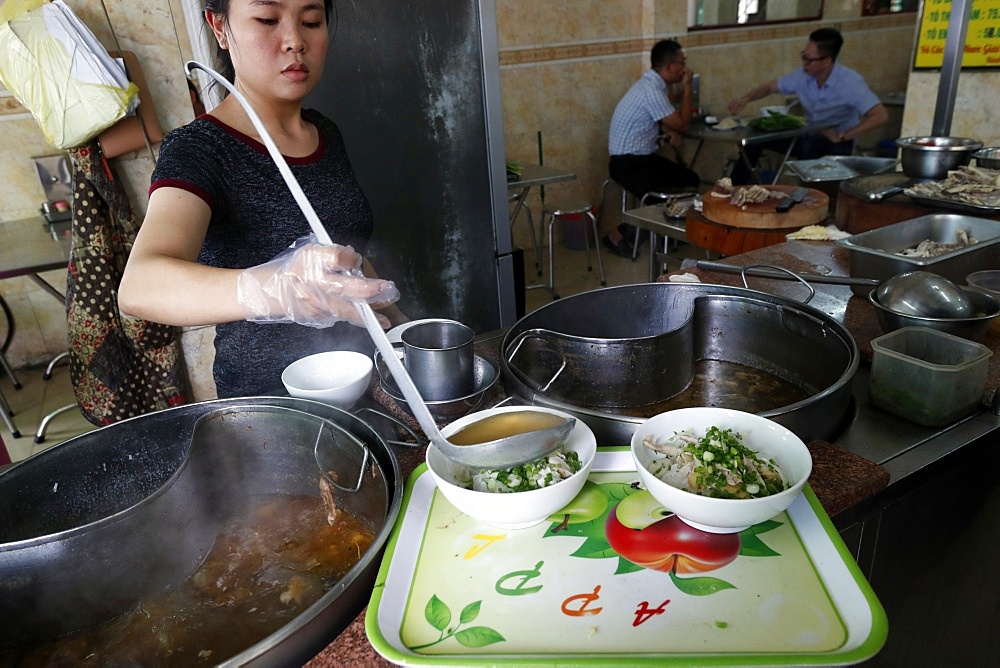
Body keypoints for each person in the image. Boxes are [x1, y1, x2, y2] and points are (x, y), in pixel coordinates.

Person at [118, 0, 404, 398]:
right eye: (267, 19)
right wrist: (276, 288)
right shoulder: (200, 149)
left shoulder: (325, 132)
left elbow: (344, 252)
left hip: (365, 384)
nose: (295, 41)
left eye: (311, 21)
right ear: (220, 28)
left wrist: (401, 328)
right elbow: (140, 286)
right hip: (269, 410)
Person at [727, 27, 889, 184]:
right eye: (803, 56)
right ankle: (731, 190)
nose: (804, 63)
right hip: (810, 134)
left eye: (809, 60)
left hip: (837, 143)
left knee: (808, 146)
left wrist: (844, 136)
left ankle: (806, 196)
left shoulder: (850, 82)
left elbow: (880, 115)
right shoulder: (803, 75)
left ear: (827, 61)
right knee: (754, 141)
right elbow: (770, 87)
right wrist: (745, 99)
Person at [604, 38, 701, 257]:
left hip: (641, 158)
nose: (685, 68)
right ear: (669, 67)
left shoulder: (653, 86)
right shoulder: (651, 91)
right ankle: (616, 236)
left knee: (689, 180)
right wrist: (688, 87)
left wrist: (664, 135)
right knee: (661, 201)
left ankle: (673, 234)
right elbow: (682, 123)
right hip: (626, 163)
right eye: (682, 63)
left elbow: (651, 124)